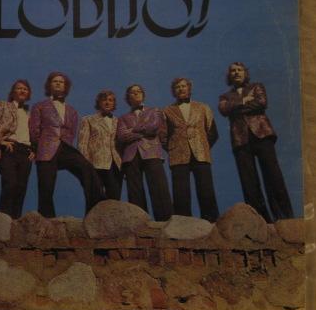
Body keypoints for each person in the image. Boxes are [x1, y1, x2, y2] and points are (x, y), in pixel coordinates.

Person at [218, 62, 294, 222]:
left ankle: (285, 218)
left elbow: (261, 103)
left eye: (239, 70)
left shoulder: (257, 87)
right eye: (233, 71)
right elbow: (224, 109)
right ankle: (260, 222)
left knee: (273, 176)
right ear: (229, 75)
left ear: (245, 73)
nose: (236, 73)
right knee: (249, 182)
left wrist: (236, 107)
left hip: (262, 134)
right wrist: (244, 101)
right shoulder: (225, 96)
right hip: (240, 140)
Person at [29, 72, 104, 218]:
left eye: (61, 82)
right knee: (46, 187)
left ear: (65, 87)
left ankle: (95, 209)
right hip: (45, 148)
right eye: (55, 81)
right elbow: (34, 130)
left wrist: (64, 146)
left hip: (65, 148)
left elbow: (71, 132)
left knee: (87, 167)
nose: (58, 83)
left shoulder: (72, 111)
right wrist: (37, 147)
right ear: (49, 86)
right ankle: (48, 220)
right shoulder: (39, 106)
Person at [163, 77, 220, 222]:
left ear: (189, 88)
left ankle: (211, 221)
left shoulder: (203, 107)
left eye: (183, 86)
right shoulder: (167, 111)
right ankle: (183, 224)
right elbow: (162, 135)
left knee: (206, 189)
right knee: (180, 191)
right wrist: (173, 148)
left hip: (201, 153)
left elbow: (212, 132)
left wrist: (202, 145)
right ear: (173, 91)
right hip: (178, 154)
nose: (181, 89)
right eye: (177, 87)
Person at [116, 84, 173, 221]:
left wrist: (132, 130)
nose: (136, 93)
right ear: (127, 97)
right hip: (130, 156)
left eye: (139, 91)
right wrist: (142, 132)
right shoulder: (122, 118)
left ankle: (165, 221)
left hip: (152, 152)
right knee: (134, 191)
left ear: (143, 95)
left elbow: (153, 127)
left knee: (159, 187)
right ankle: (140, 223)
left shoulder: (155, 111)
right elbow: (122, 136)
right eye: (132, 92)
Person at [0, 79, 35, 219]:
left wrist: (34, 150)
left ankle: (15, 222)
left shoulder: (30, 113)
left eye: (25, 89)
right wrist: (0, 140)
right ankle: (3, 221)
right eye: (19, 88)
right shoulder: (4, 106)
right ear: (13, 92)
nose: (22, 90)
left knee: (21, 187)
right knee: (9, 184)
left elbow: (35, 133)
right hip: (10, 148)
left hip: (26, 152)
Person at [78, 90, 123, 200]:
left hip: (115, 164)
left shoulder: (118, 121)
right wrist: (86, 166)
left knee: (115, 198)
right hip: (95, 163)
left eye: (110, 100)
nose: (107, 102)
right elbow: (82, 144)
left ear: (114, 104)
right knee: (95, 198)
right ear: (99, 102)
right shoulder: (88, 120)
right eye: (104, 100)